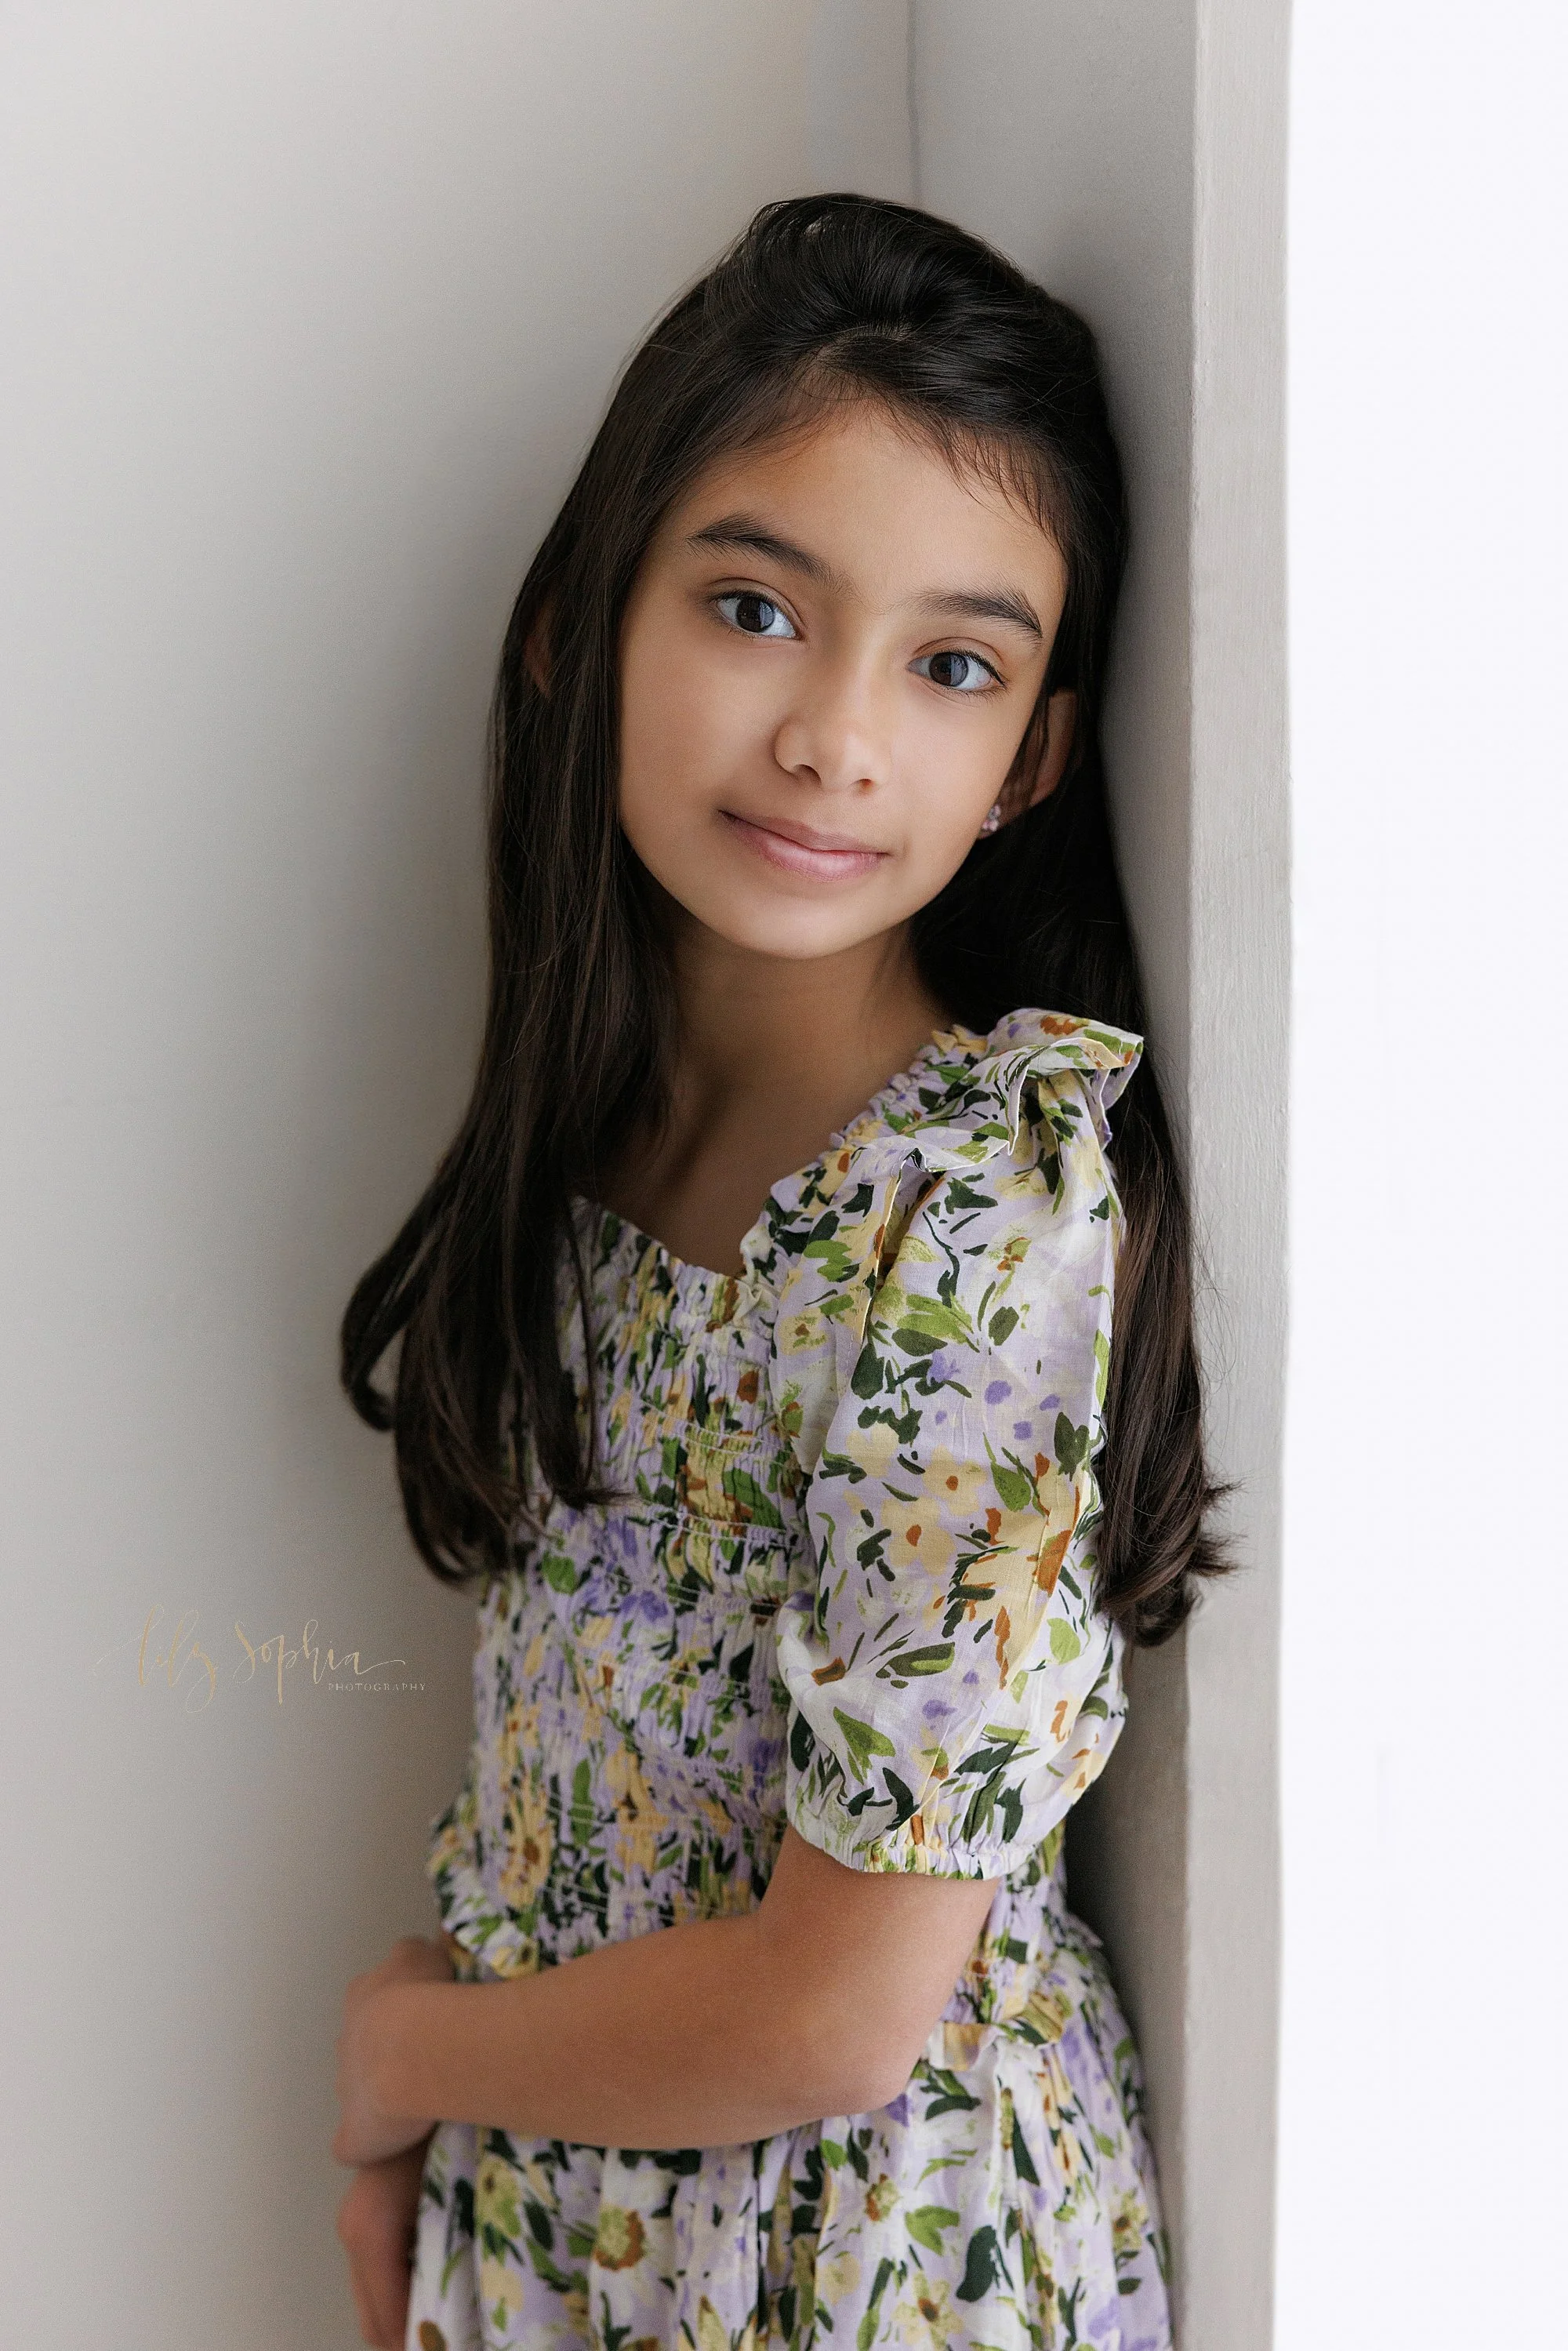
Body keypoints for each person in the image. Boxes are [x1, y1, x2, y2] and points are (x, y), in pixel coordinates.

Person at [331, 193, 1225, 2351]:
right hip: (594, 2219)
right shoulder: (599, 1162)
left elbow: (839, 2007)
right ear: (580, 624)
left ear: (1031, 755)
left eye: (952, 661)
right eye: (755, 605)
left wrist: (396, 2058)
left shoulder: (969, 1217)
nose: (839, 734)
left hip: (870, 2270)